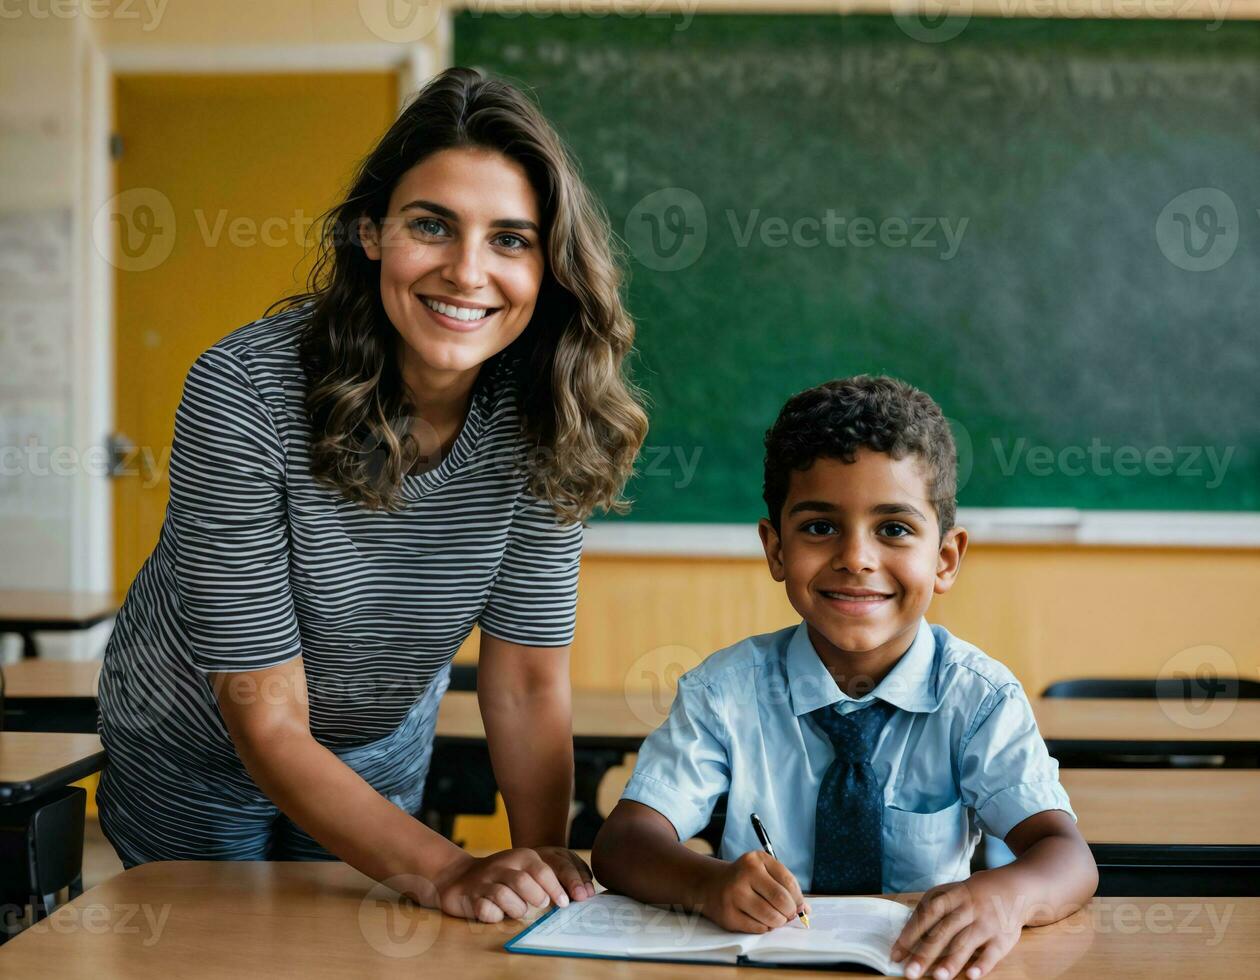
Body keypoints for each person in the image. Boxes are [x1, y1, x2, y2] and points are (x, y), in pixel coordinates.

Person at [97, 66, 647, 924]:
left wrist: (540, 870)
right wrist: (447, 870)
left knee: (344, 955)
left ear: (551, 265)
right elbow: (264, 715)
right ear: (370, 234)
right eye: (432, 226)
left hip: (374, 748)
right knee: (215, 956)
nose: (468, 272)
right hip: (191, 743)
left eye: (511, 239)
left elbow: (527, 684)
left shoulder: (551, 413)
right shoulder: (243, 390)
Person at [592, 375, 1096, 979]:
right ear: (775, 550)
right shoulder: (724, 693)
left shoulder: (978, 699)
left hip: (922, 966)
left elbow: (1067, 856)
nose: (856, 557)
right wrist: (710, 884)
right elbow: (623, 844)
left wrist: (1007, 897)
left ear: (945, 558)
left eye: (894, 529)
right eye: (820, 527)